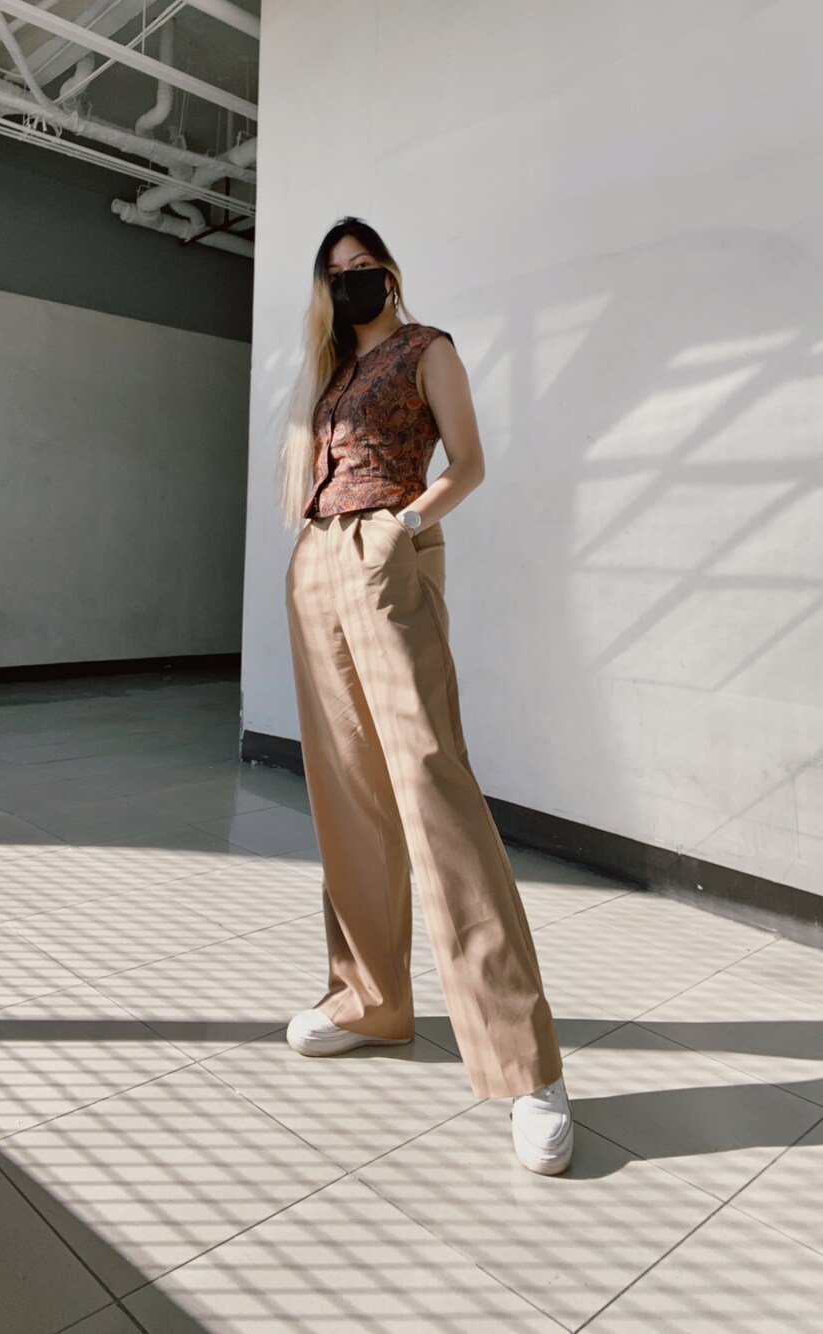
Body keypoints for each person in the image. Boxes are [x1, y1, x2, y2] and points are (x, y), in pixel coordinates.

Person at [276, 216, 573, 1175]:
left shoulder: (425, 349)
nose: (351, 282)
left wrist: (402, 529)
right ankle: (372, 999)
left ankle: (524, 1062)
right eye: (336, 273)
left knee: (433, 783)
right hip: (316, 560)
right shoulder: (331, 374)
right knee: (345, 790)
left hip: (384, 551)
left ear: (389, 273)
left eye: (363, 267)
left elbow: (468, 464)